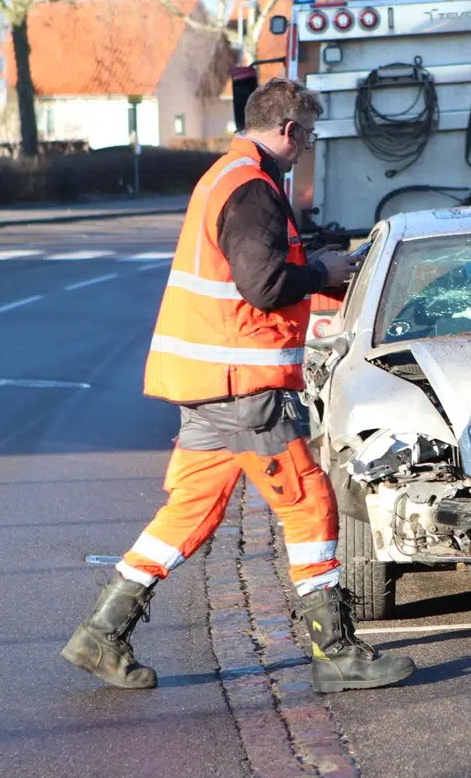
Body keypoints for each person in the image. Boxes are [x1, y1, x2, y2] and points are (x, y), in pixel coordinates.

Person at [61, 78, 416, 694]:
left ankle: (101, 634)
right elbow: (266, 284)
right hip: (242, 386)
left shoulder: (231, 178)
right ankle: (334, 650)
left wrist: (329, 272)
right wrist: (325, 272)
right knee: (310, 504)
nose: (307, 146)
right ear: (288, 130)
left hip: (212, 383)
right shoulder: (252, 189)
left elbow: (262, 272)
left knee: (189, 512)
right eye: (307, 134)